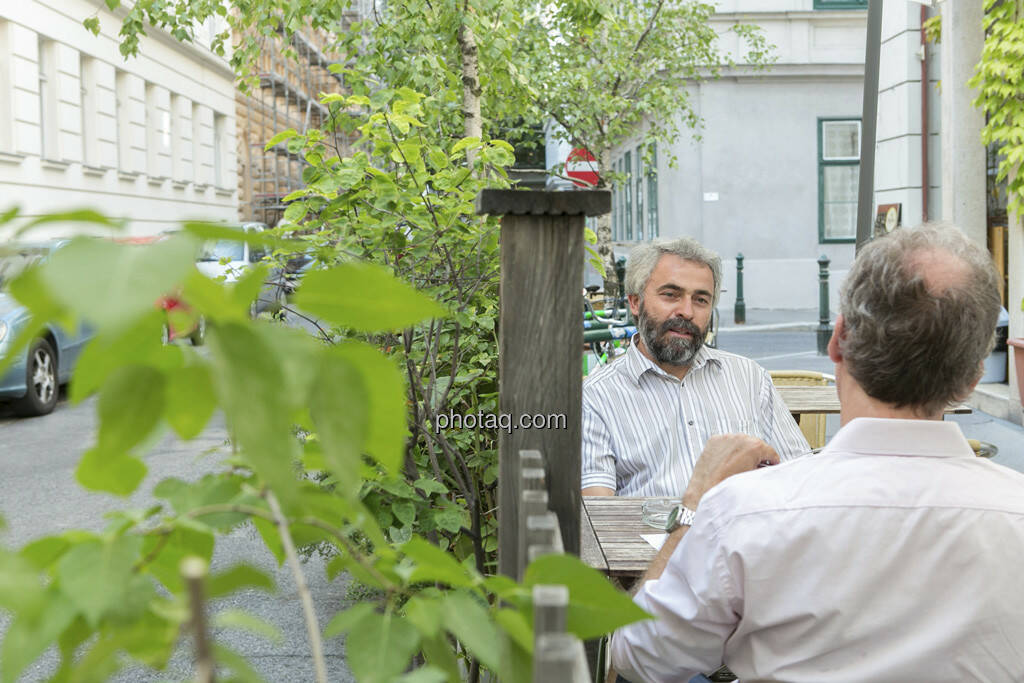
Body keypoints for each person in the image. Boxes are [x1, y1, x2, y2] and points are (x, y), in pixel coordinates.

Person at [610, 223, 1024, 682]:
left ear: (837, 339)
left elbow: (639, 657)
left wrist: (693, 508)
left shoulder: (744, 512)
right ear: (974, 377)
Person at [581, 237, 809, 497]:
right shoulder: (595, 397)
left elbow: (799, 478)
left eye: (701, 300)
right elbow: (598, 514)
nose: (686, 311)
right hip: (649, 536)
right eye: (671, 295)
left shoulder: (749, 378)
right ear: (635, 302)